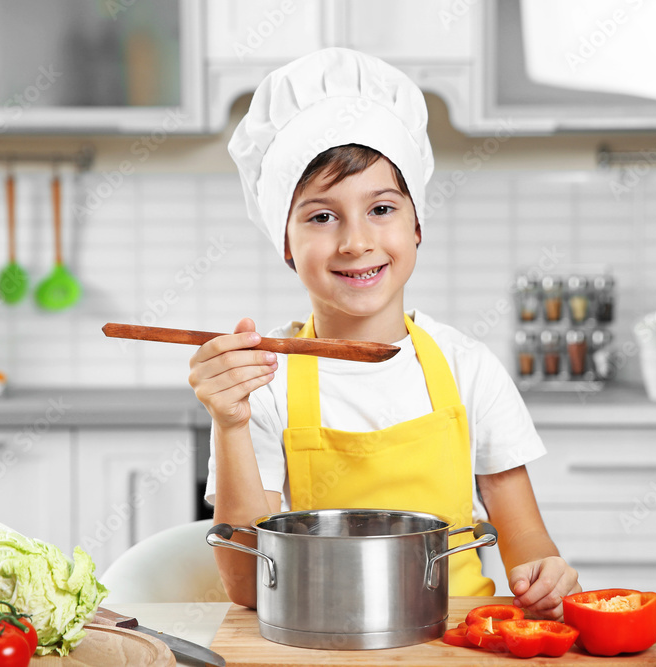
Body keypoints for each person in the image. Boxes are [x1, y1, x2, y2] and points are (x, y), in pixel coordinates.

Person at [190, 48, 580, 618]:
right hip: (323, 640)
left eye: (381, 208)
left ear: (417, 224)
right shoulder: (263, 385)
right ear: (285, 245)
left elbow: (530, 551)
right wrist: (229, 422)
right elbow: (250, 586)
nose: (355, 241)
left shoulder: (467, 369)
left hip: (460, 642)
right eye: (321, 216)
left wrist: (546, 578)